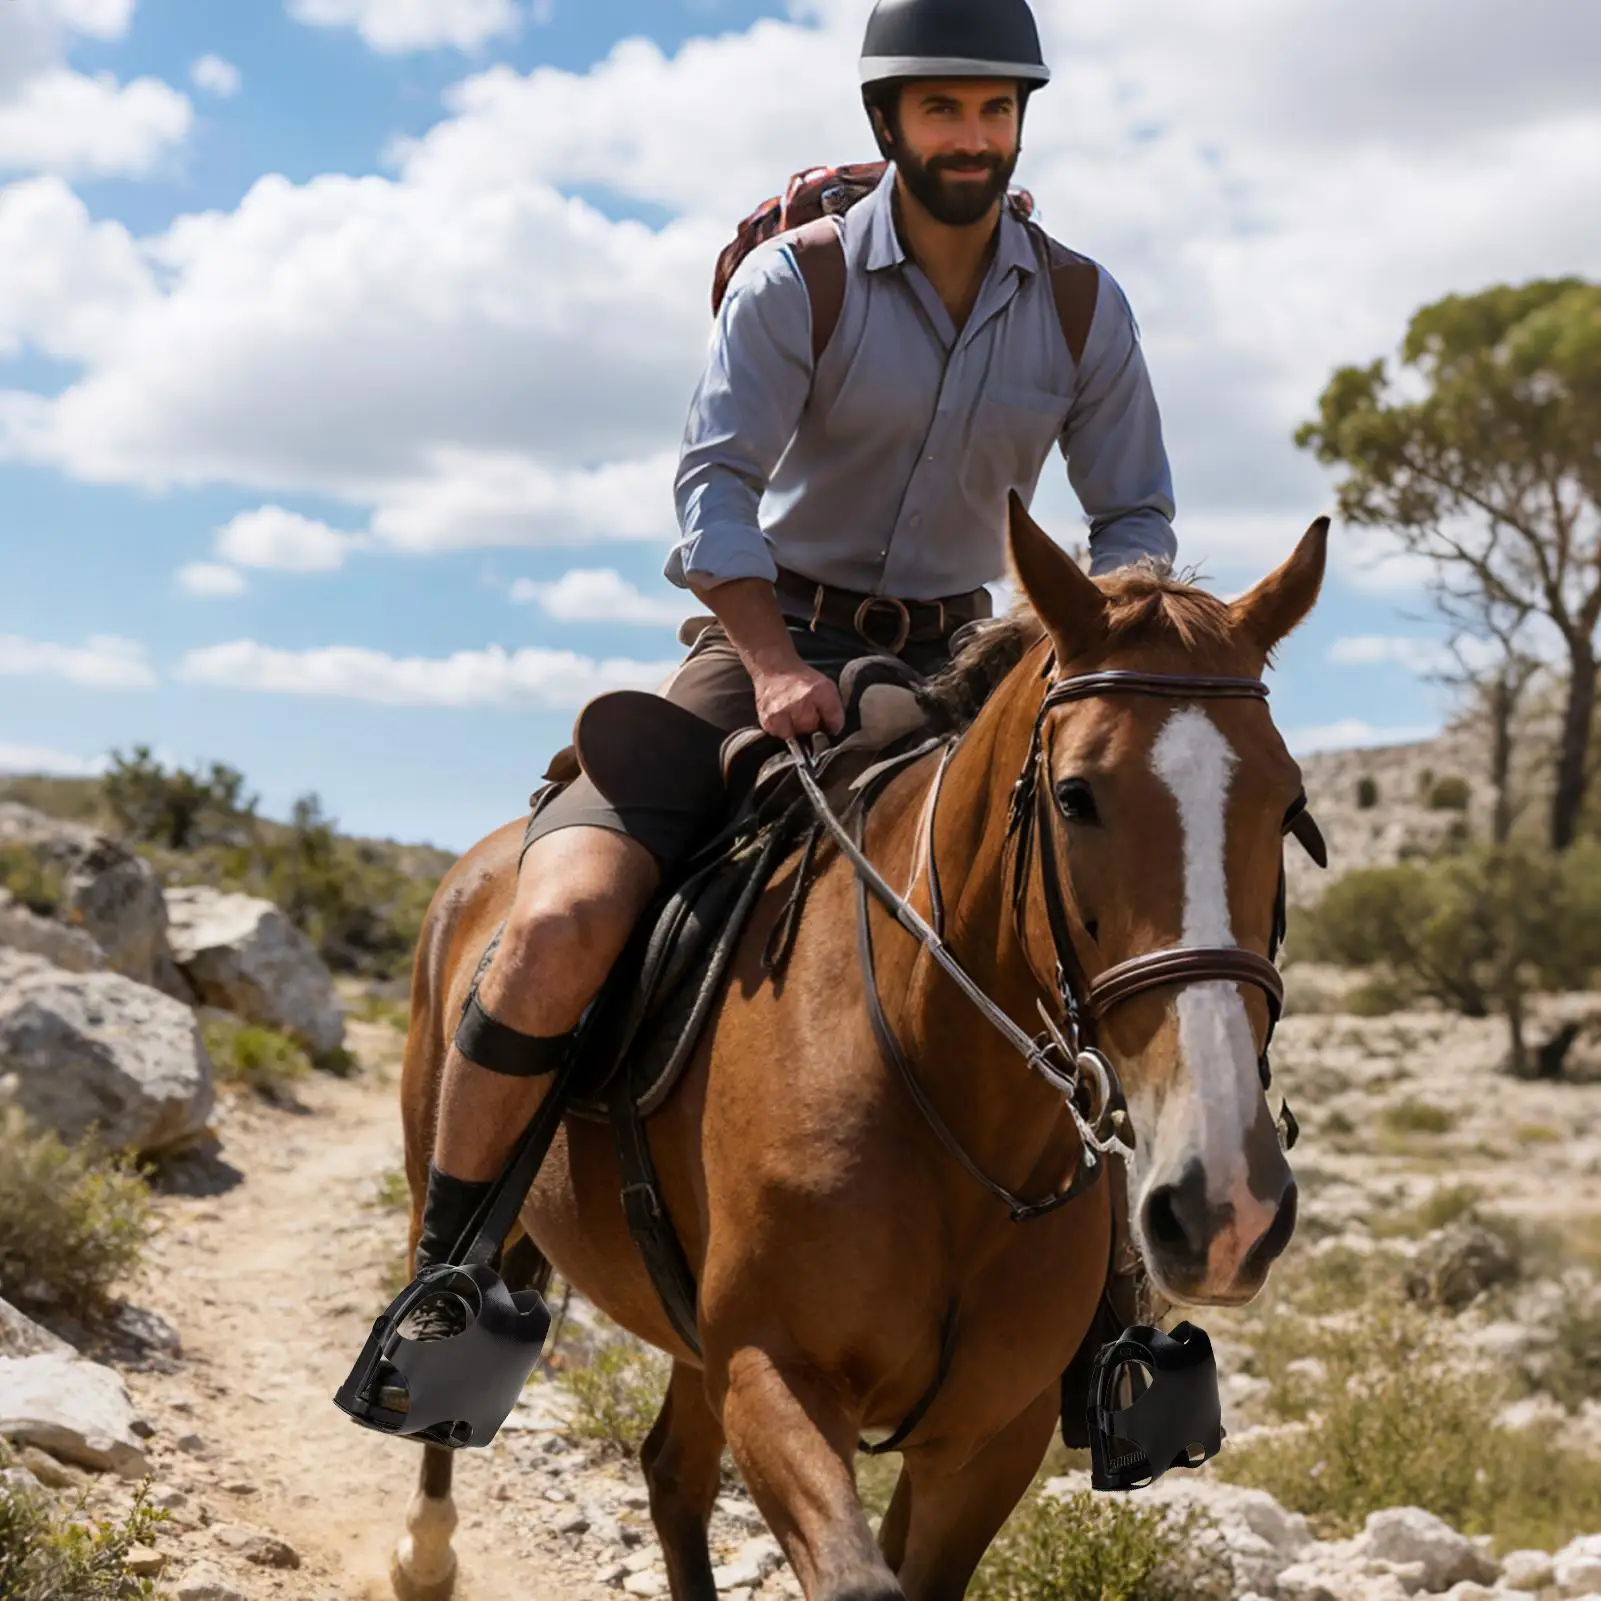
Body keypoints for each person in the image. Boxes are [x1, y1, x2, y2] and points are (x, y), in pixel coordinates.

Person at [396, 0, 1177, 1344]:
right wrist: (766, 662)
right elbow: (715, 491)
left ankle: (1118, 1339)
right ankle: (449, 1279)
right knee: (559, 925)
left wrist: (1108, 644)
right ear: (890, 120)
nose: (973, 136)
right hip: (768, 640)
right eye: (943, 108)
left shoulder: (1082, 305)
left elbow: (1137, 516)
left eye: (996, 110)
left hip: (971, 661)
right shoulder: (795, 283)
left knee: (1104, 937)